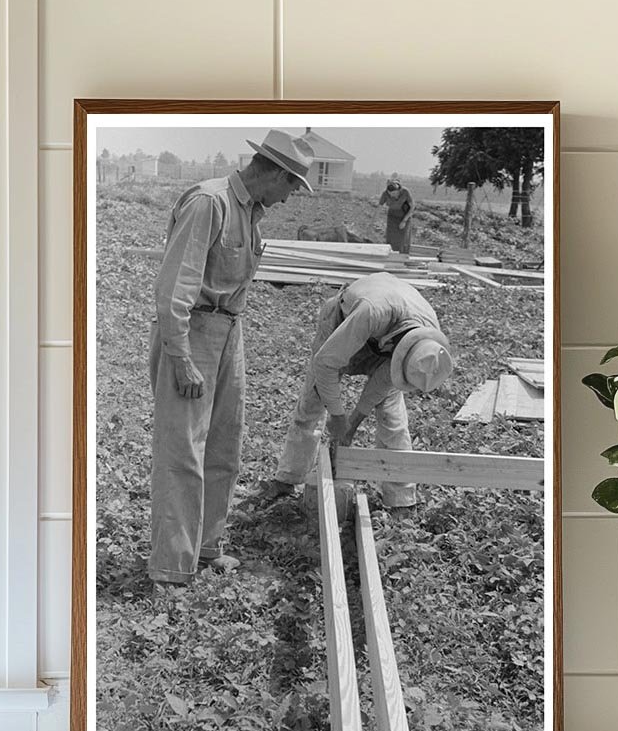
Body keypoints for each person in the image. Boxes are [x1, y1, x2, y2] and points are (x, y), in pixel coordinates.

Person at [148, 129, 315, 585]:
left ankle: (206, 549)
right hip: (194, 330)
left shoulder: (251, 214)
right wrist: (181, 357)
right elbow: (174, 289)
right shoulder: (210, 203)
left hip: (229, 331)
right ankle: (171, 567)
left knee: (224, 446)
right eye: (291, 186)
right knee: (183, 450)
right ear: (276, 174)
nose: (289, 198)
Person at [265, 273, 454, 513]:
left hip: (387, 337)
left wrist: (352, 424)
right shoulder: (371, 313)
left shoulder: (429, 345)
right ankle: (288, 478)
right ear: (401, 352)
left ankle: (401, 500)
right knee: (313, 401)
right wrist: (337, 415)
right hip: (343, 321)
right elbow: (325, 364)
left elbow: (381, 384)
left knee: (392, 415)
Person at [378, 178, 415, 254]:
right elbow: (379, 208)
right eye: (390, 194)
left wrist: (404, 221)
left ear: (398, 191)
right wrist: (371, 223)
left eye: (394, 193)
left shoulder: (405, 192)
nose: (392, 195)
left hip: (404, 216)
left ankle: (402, 256)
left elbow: (412, 207)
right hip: (392, 216)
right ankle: (391, 255)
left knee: (403, 239)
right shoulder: (385, 194)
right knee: (391, 238)